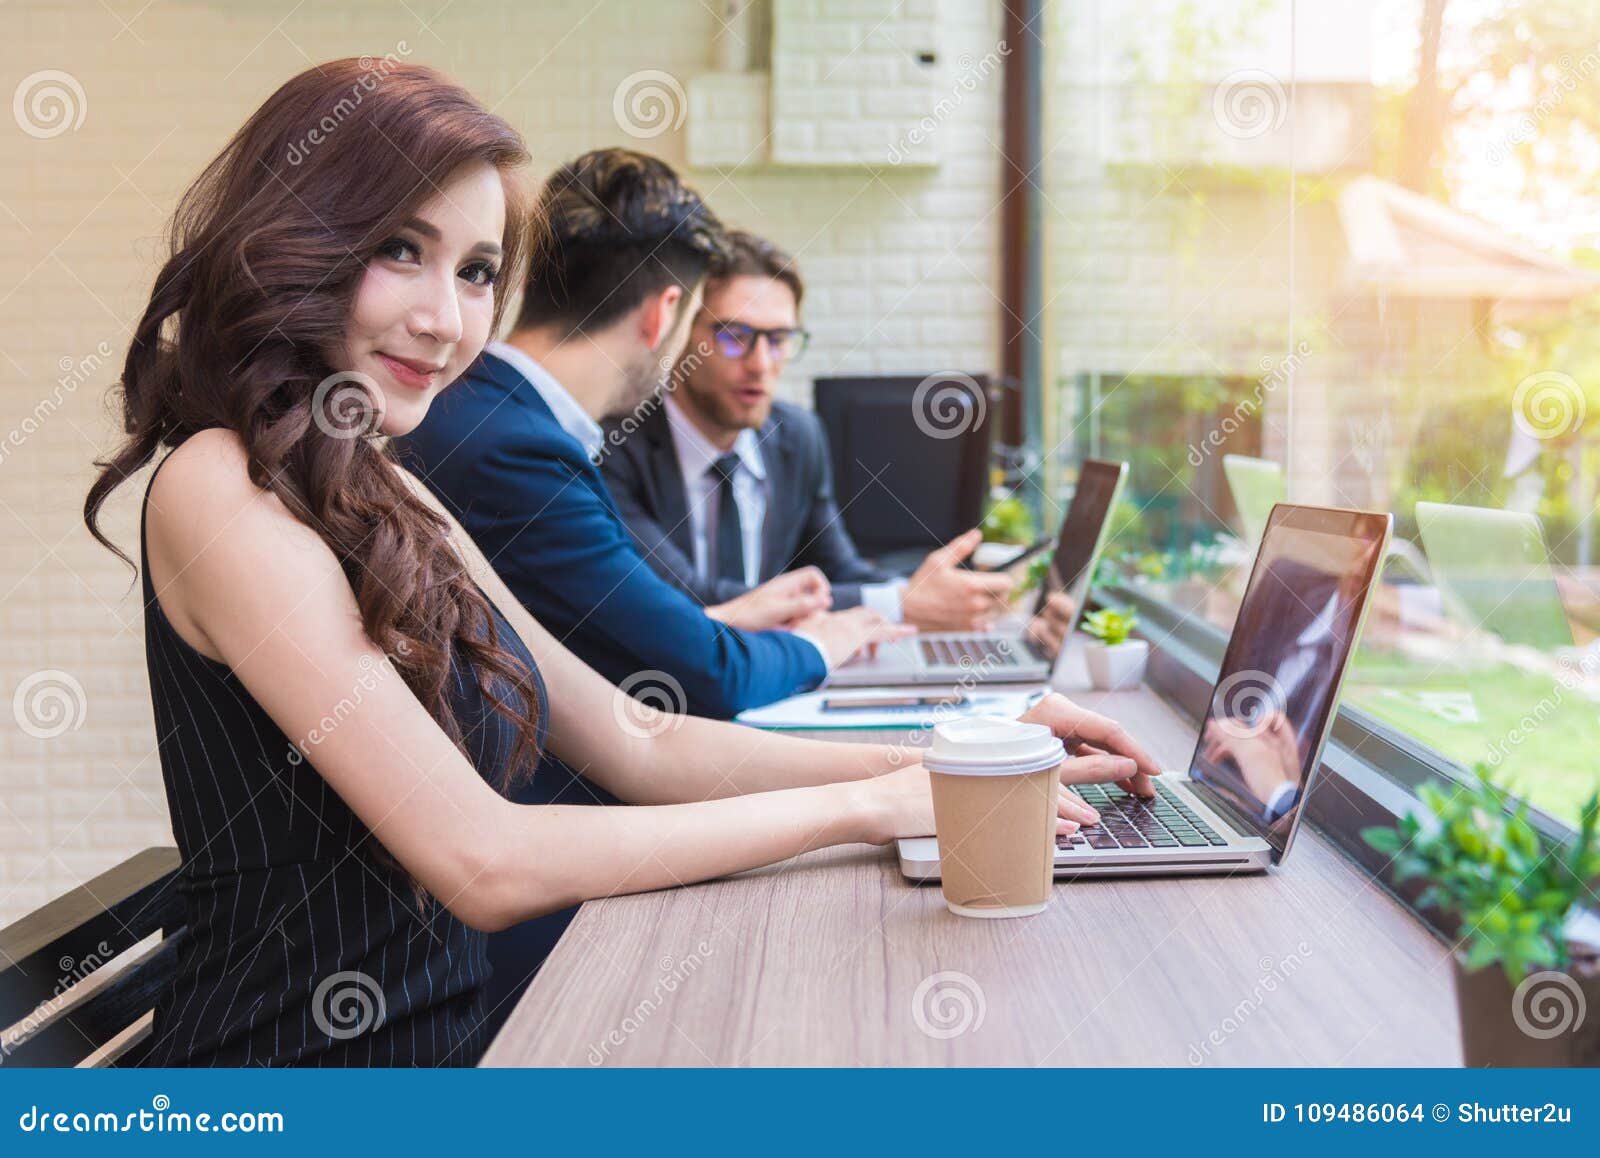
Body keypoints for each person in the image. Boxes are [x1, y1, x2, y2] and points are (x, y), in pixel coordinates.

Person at [86, 62, 1157, 1066]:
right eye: (399, 250)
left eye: (475, 272)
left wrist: (957, 751)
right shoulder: (219, 486)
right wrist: (869, 809)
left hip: (460, 1035)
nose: (445, 319)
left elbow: (638, 740)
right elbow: (483, 863)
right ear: (300, 240)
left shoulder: (385, 484)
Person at [394, 150, 905, 720]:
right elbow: (708, 675)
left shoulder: (481, 408)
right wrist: (823, 644)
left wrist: (719, 624)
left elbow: (589, 636)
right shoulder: (517, 449)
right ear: (664, 314)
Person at [598, 229, 1080, 650]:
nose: (761, 364)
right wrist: (898, 602)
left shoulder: (797, 438)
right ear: (681, 332)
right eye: (733, 335)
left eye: (779, 339)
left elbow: (841, 570)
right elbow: (687, 600)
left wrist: (957, 601)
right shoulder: (617, 444)